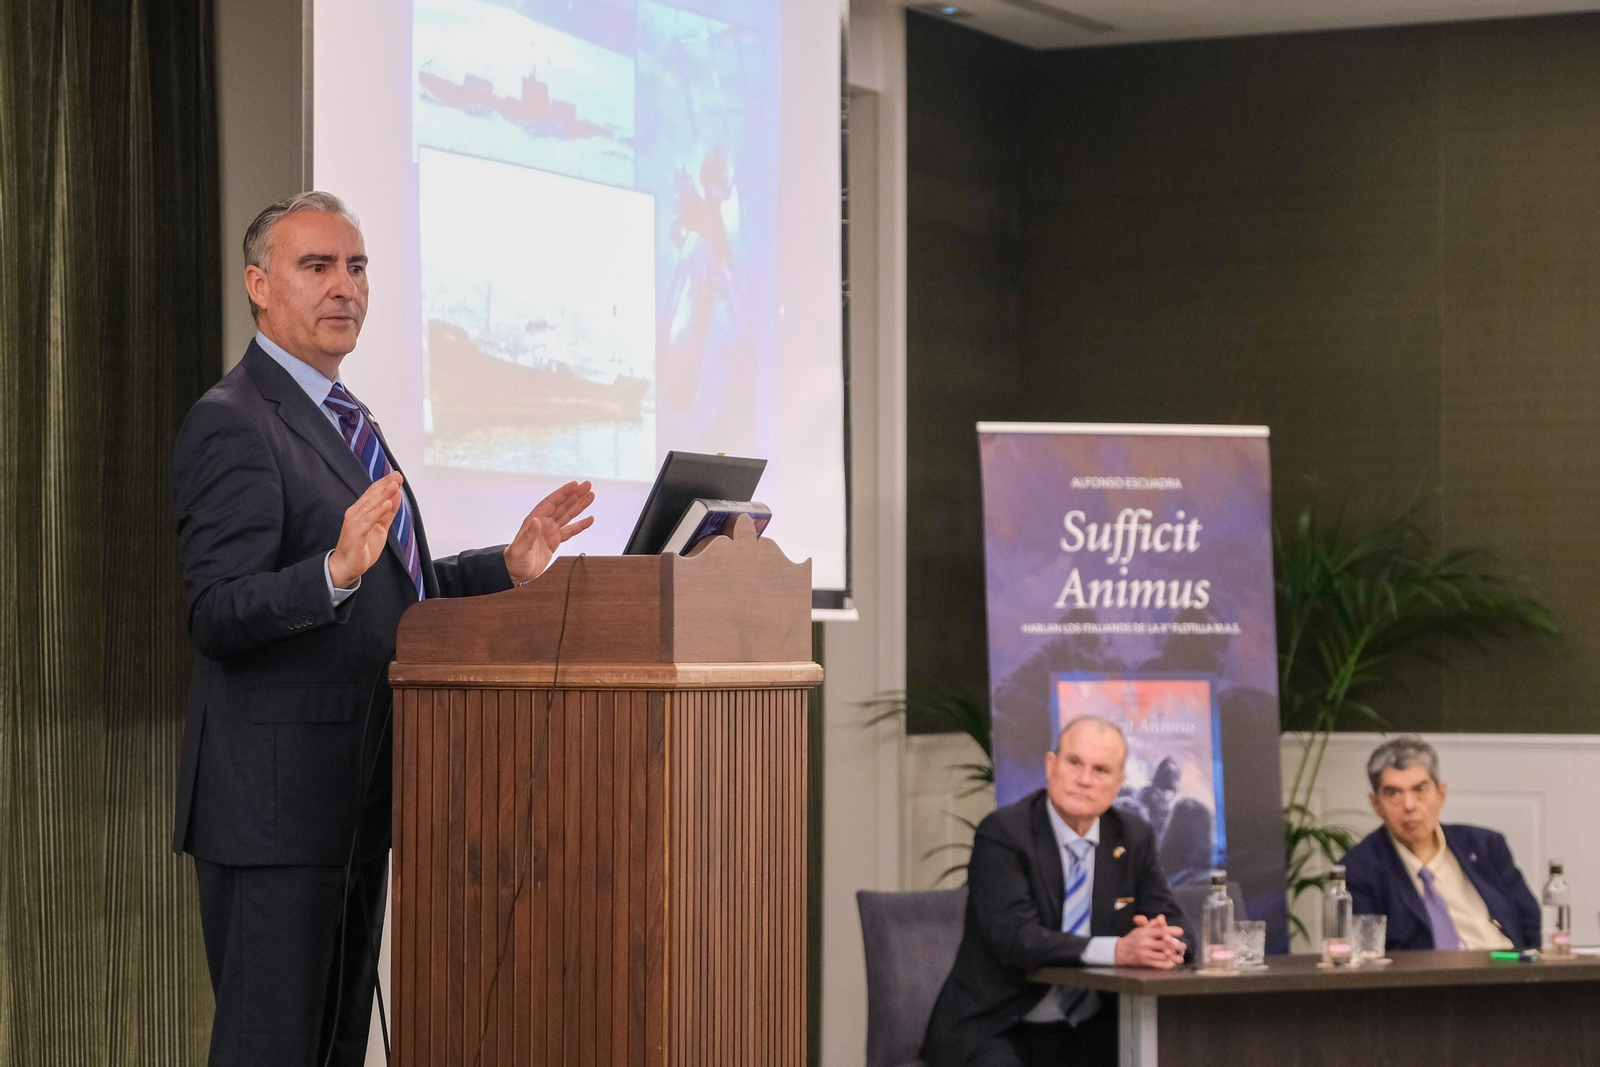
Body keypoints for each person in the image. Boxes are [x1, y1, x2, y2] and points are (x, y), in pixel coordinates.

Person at [169, 191, 596, 1067]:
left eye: (356, 266)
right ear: (259, 284)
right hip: (276, 816)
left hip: (359, 800)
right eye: (316, 266)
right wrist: (330, 571)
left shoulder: (349, 419)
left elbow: (397, 591)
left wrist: (505, 567)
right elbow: (215, 609)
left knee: (335, 1051)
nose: (345, 288)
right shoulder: (234, 421)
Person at [922, 717, 1191, 1067]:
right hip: (1002, 1024)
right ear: (1052, 766)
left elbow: (1174, 923)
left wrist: (1165, 943)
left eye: (1100, 770)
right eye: (1074, 763)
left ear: (1119, 784)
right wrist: (1121, 950)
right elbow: (1017, 940)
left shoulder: (1132, 836)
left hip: (1094, 1026)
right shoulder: (1004, 833)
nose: (1084, 779)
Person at [1340, 735, 1540, 952]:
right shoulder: (1360, 870)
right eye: (1394, 793)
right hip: (1426, 983)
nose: (1409, 805)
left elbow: (1533, 927)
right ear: (1376, 804)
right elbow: (1369, 956)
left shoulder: (1485, 846)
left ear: (1441, 794)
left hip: (1507, 971)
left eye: (1420, 789)